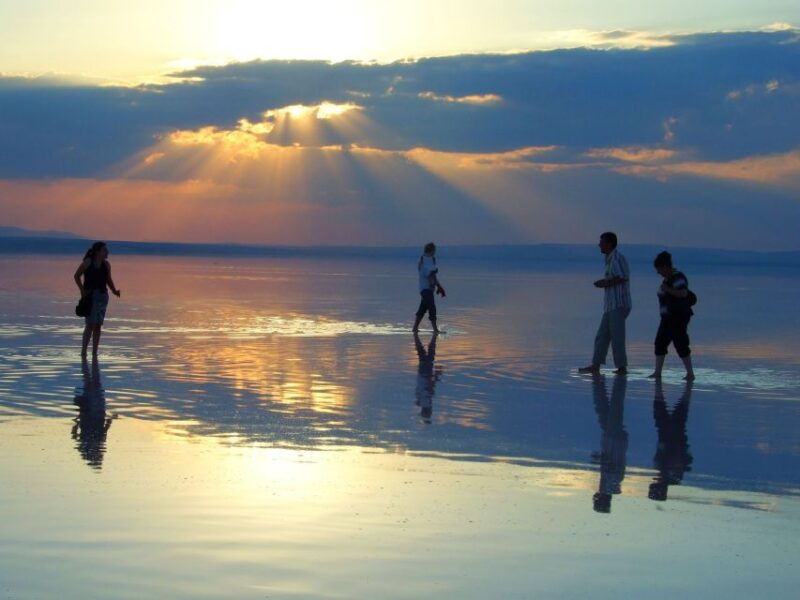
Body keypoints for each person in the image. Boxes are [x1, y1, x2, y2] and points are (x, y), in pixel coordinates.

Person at [579, 232, 632, 375]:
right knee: (602, 336)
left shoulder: (617, 258)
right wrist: (604, 283)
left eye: (601, 243)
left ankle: (622, 368)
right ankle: (595, 365)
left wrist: (604, 283)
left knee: (617, 337)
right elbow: (616, 277)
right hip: (610, 305)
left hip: (619, 304)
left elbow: (622, 277)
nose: (599, 245)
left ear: (609, 244)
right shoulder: (609, 259)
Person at [647, 251, 695, 380]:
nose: (658, 272)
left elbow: (683, 293)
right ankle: (657, 372)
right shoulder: (667, 279)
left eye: (659, 269)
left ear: (665, 267)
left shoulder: (678, 277)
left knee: (680, 343)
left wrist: (667, 289)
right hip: (667, 318)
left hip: (678, 317)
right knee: (660, 343)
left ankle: (690, 373)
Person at [74, 242, 121, 358]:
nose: (107, 252)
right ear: (98, 251)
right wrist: (82, 290)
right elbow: (76, 276)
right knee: (90, 324)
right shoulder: (88, 262)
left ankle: (94, 352)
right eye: (104, 250)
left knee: (98, 325)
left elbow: (108, 279)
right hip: (91, 296)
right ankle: (83, 352)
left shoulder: (106, 265)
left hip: (103, 297)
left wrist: (114, 291)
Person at [649, 380, 693, 501]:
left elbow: (688, 457)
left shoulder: (675, 476)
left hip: (676, 438)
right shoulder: (666, 471)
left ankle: (687, 386)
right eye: (655, 483)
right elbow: (661, 449)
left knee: (680, 410)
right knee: (664, 408)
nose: (655, 480)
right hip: (670, 436)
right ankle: (660, 383)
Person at [590, 374, 628, 513]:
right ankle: (615, 382)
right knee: (614, 405)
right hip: (614, 440)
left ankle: (599, 383)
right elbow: (611, 466)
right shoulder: (612, 484)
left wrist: (600, 458)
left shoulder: (611, 485)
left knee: (603, 407)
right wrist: (600, 459)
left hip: (611, 439)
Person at [412, 242, 446, 333]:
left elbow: (433, 276)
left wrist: (439, 287)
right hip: (425, 289)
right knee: (432, 307)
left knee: (423, 308)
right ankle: (435, 330)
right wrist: (433, 285)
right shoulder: (424, 261)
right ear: (431, 251)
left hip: (427, 289)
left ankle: (415, 328)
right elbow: (429, 275)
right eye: (434, 251)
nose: (435, 253)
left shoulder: (430, 260)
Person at [414, 331, 442, 423]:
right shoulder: (420, 401)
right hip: (421, 373)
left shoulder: (426, 400)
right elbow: (425, 388)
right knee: (421, 353)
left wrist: (437, 374)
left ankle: (434, 335)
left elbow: (430, 385)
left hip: (426, 373)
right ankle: (416, 335)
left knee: (430, 352)